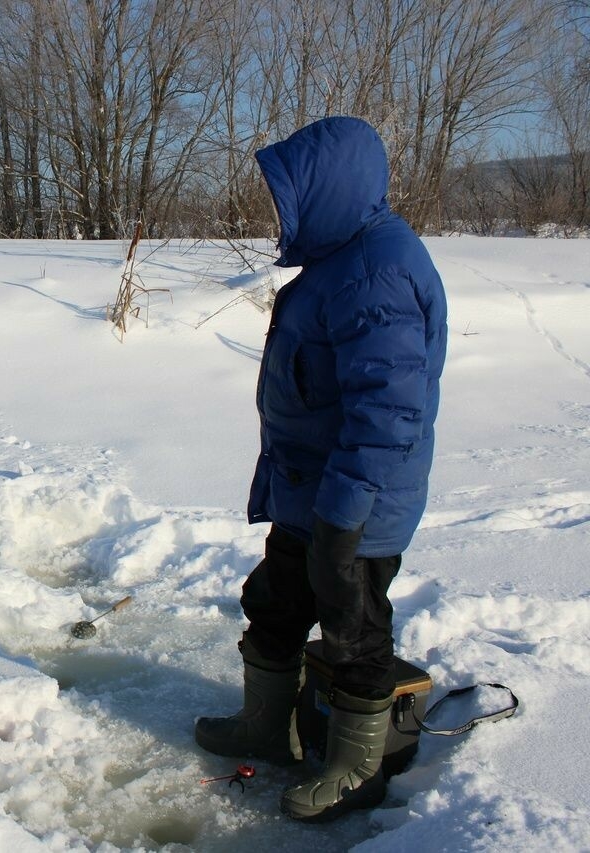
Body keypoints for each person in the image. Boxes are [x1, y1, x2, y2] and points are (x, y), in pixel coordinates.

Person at [194, 116, 447, 822]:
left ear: (331, 190)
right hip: (314, 493)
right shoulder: (341, 259)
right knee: (275, 600)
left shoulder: (377, 272)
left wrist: (344, 513)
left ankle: (356, 767)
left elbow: (388, 412)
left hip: (353, 505)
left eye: (290, 194)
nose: (279, 210)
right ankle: (265, 727)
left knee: (354, 631)